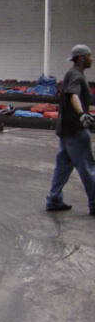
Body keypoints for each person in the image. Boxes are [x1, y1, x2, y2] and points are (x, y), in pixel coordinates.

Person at [46, 44, 95, 214]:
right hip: (75, 131)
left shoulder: (73, 73)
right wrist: (82, 114)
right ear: (81, 58)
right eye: (89, 56)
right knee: (87, 167)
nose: (92, 59)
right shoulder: (76, 75)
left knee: (63, 167)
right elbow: (73, 95)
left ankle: (54, 200)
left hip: (66, 130)